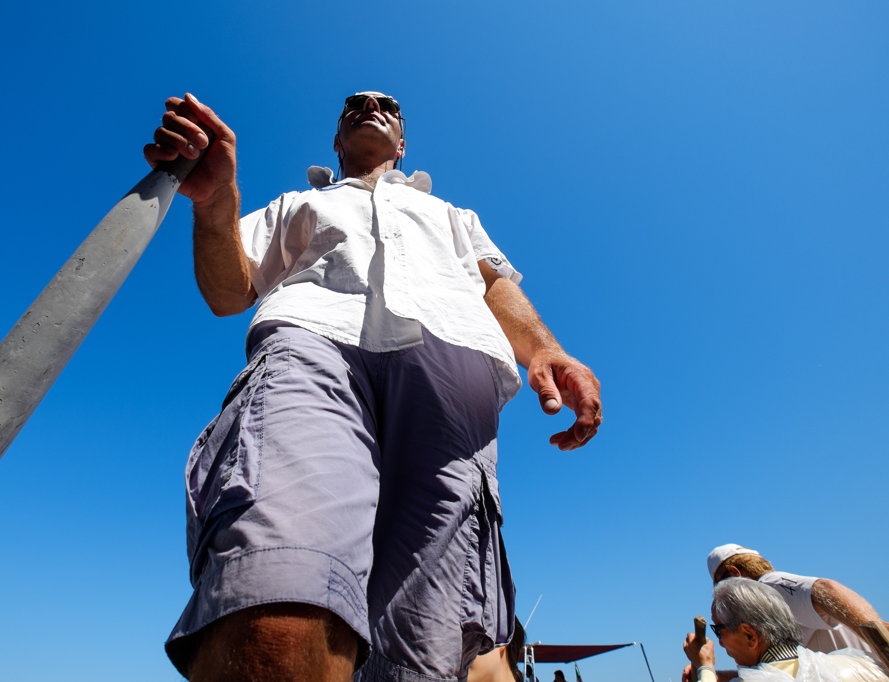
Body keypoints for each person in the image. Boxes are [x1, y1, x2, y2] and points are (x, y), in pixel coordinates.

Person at [144, 91, 603, 682]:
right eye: (353, 105)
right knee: (274, 607)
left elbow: (493, 283)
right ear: (336, 141)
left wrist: (545, 348)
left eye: (386, 103)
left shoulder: (455, 217)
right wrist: (214, 205)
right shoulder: (297, 204)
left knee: (420, 647)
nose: (369, 104)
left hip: (452, 366)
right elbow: (229, 291)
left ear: (404, 143)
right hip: (311, 344)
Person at [707, 544, 888, 671]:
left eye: (721, 586)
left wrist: (881, 639)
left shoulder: (769, 585)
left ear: (734, 574)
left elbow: (826, 589)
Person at [682, 578, 887, 682]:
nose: (719, 642)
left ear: (749, 635)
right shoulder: (858, 665)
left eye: (719, 631)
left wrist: (704, 666)